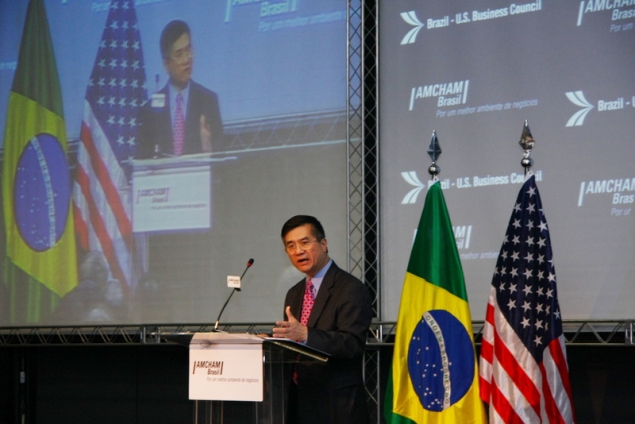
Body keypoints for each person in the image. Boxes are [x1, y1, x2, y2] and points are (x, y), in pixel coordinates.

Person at [272, 215, 372, 424]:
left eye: (305, 242)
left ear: (323, 244)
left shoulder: (350, 288)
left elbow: (352, 344)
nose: (298, 251)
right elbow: (295, 347)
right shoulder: (294, 293)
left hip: (336, 406)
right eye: (291, 246)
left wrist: (306, 334)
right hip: (300, 401)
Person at [137, 20, 223, 159]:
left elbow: (220, 157)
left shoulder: (208, 101)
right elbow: (142, 159)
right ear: (166, 64)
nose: (186, 59)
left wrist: (208, 149)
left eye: (188, 51)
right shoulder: (150, 111)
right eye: (179, 54)